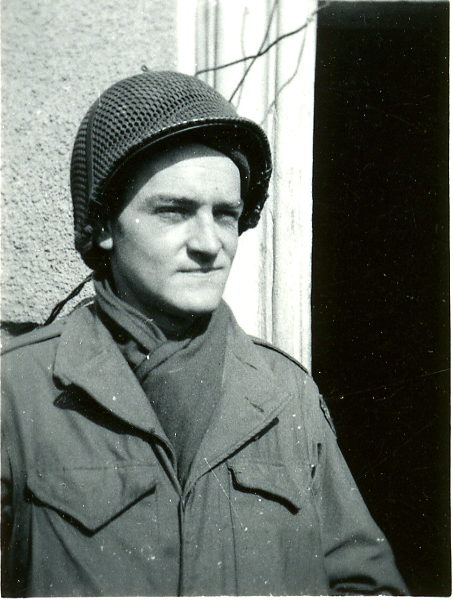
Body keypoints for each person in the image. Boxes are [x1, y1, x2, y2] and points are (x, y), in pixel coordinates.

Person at [1, 71, 408, 597]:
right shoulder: (17, 392)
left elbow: (365, 585)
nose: (209, 244)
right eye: (175, 211)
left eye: (225, 215)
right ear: (103, 226)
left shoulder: (286, 394)